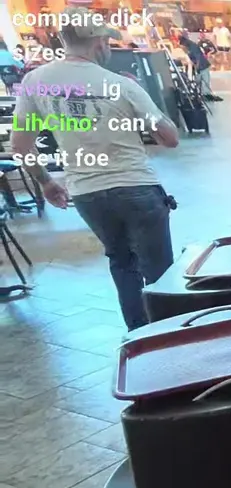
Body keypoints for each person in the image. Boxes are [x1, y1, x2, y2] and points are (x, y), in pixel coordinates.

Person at [11, 7, 180, 331]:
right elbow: (169, 138)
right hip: (136, 186)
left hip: (87, 193)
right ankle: (171, 338)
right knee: (160, 272)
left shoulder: (35, 82)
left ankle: (140, 338)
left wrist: (46, 182)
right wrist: (144, 105)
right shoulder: (120, 84)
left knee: (122, 263)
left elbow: (20, 146)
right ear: (99, 42)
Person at [178, 32, 219, 101]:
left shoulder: (193, 47)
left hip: (203, 66)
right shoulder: (189, 48)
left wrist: (197, 67)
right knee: (198, 81)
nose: (182, 48)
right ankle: (202, 93)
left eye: (182, 47)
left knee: (204, 80)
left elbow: (198, 58)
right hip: (199, 66)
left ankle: (206, 95)